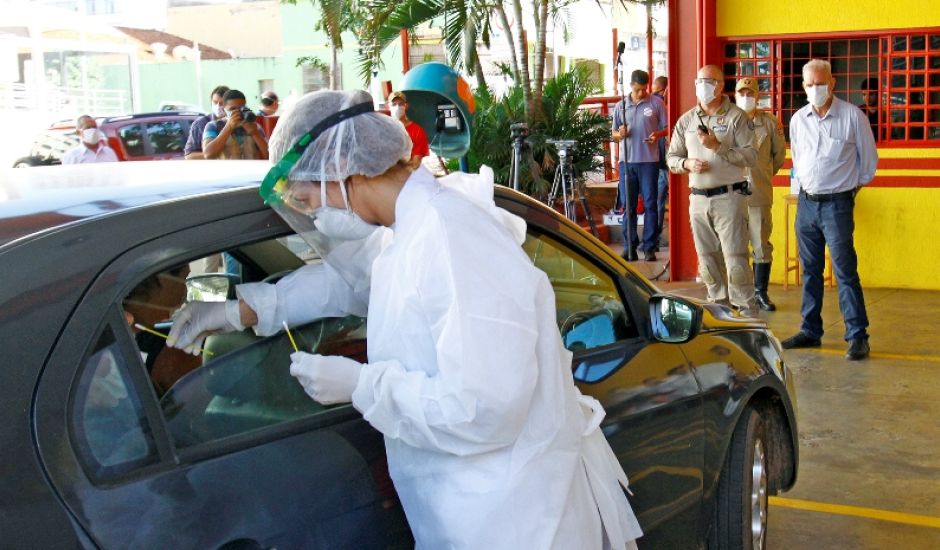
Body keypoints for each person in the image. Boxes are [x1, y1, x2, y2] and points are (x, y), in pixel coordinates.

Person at [167, 89, 642, 549]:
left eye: (308, 201)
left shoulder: (454, 237)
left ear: (340, 168)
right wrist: (235, 311)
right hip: (468, 511)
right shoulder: (406, 229)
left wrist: (363, 386)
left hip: (513, 518)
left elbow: (485, 407)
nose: (315, 218)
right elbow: (352, 281)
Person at [782, 59, 877, 361]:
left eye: (820, 84)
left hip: (837, 205)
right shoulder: (798, 119)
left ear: (832, 83)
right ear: (803, 86)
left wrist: (847, 193)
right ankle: (810, 330)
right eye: (809, 85)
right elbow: (798, 159)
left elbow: (868, 165)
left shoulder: (852, 117)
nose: (815, 89)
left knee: (845, 271)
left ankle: (857, 334)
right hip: (806, 205)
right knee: (810, 271)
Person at [666, 65, 758, 316]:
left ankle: (747, 313)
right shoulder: (686, 120)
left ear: (719, 85)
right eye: (698, 81)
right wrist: (686, 164)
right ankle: (720, 311)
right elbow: (672, 157)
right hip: (698, 199)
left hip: (729, 197)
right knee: (706, 260)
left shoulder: (736, 117)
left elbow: (751, 156)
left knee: (735, 259)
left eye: (707, 81)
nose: (701, 85)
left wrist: (717, 147)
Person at [734, 77, 786, 311]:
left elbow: (778, 157)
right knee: (733, 245)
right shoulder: (727, 121)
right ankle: (737, 293)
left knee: (761, 245)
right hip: (731, 194)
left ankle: (760, 293)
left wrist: (761, 174)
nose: (746, 97)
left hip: (759, 193)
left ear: (757, 96)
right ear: (735, 95)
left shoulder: (770, 123)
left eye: (750, 93)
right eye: (742, 93)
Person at [611, 69, 668, 262]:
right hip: (627, 163)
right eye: (638, 90)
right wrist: (621, 134)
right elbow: (613, 134)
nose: (642, 93)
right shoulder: (621, 106)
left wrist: (657, 135)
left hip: (649, 162)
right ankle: (629, 246)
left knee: (651, 204)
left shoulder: (656, 103)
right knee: (629, 206)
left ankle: (650, 247)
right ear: (630, 87)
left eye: (644, 89)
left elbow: (668, 127)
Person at [203, 89, 269, 160]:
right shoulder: (213, 126)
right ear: (224, 109)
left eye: (241, 108)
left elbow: (270, 156)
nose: (238, 112)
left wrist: (255, 134)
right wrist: (228, 128)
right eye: (233, 109)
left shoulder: (255, 126)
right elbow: (208, 154)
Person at [184, 85, 230, 160]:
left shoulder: (238, 123)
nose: (218, 106)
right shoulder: (201, 124)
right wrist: (217, 154)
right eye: (215, 102)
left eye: (222, 103)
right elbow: (189, 156)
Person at [388, 91, 430, 168]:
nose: (397, 107)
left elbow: (416, 163)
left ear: (406, 106)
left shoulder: (417, 130)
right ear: (388, 106)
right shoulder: (383, 129)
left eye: (401, 104)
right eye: (394, 104)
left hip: (408, 175)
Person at [651, 76, 669, 251]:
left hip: (665, 162)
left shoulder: (656, 104)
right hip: (662, 162)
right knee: (656, 201)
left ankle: (654, 240)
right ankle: (654, 239)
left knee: (657, 202)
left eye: (657, 92)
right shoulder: (658, 105)